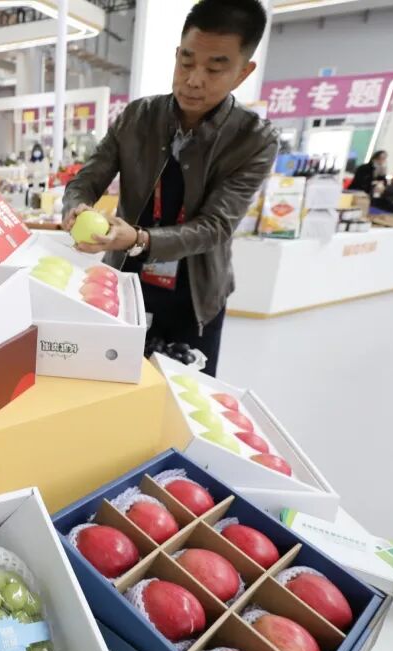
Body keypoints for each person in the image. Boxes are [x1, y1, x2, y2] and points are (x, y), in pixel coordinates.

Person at [61, 0, 277, 377]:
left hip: (194, 298)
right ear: (177, 55)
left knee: (182, 394)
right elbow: (87, 179)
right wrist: (76, 205)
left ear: (243, 72)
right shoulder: (137, 117)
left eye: (214, 68)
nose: (194, 80)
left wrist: (139, 239)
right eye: (187, 62)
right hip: (123, 283)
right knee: (114, 384)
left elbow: (215, 227)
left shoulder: (254, 140)